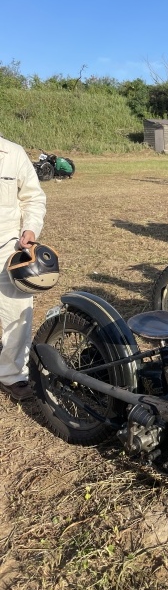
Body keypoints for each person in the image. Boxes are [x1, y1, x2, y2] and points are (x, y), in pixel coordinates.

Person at [0, 134, 47, 401]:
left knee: (18, 313)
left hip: (8, 246)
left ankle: (12, 375)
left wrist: (30, 228)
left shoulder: (13, 153)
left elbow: (33, 198)